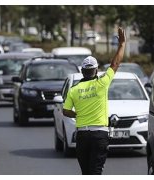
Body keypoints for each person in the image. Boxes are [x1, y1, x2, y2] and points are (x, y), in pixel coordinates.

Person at [62, 27, 126, 175]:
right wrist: (122, 44)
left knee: (86, 172)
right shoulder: (102, 83)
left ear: (82, 71)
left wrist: (77, 115)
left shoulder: (74, 89)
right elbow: (115, 64)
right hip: (100, 135)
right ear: (96, 70)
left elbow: (65, 111)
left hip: (82, 136)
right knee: (95, 171)